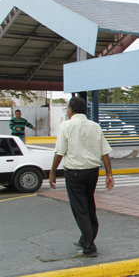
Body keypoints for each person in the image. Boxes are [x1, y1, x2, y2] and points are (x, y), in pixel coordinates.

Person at [48, 97, 114, 258]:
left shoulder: (66, 126)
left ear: (70, 110)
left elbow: (59, 152)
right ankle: (85, 238)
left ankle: (89, 247)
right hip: (92, 172)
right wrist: (109, 174)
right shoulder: (95, 126)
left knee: (80, 209)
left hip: (75, 172)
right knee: (89, 204)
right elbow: (104, 151)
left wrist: (52, 173)